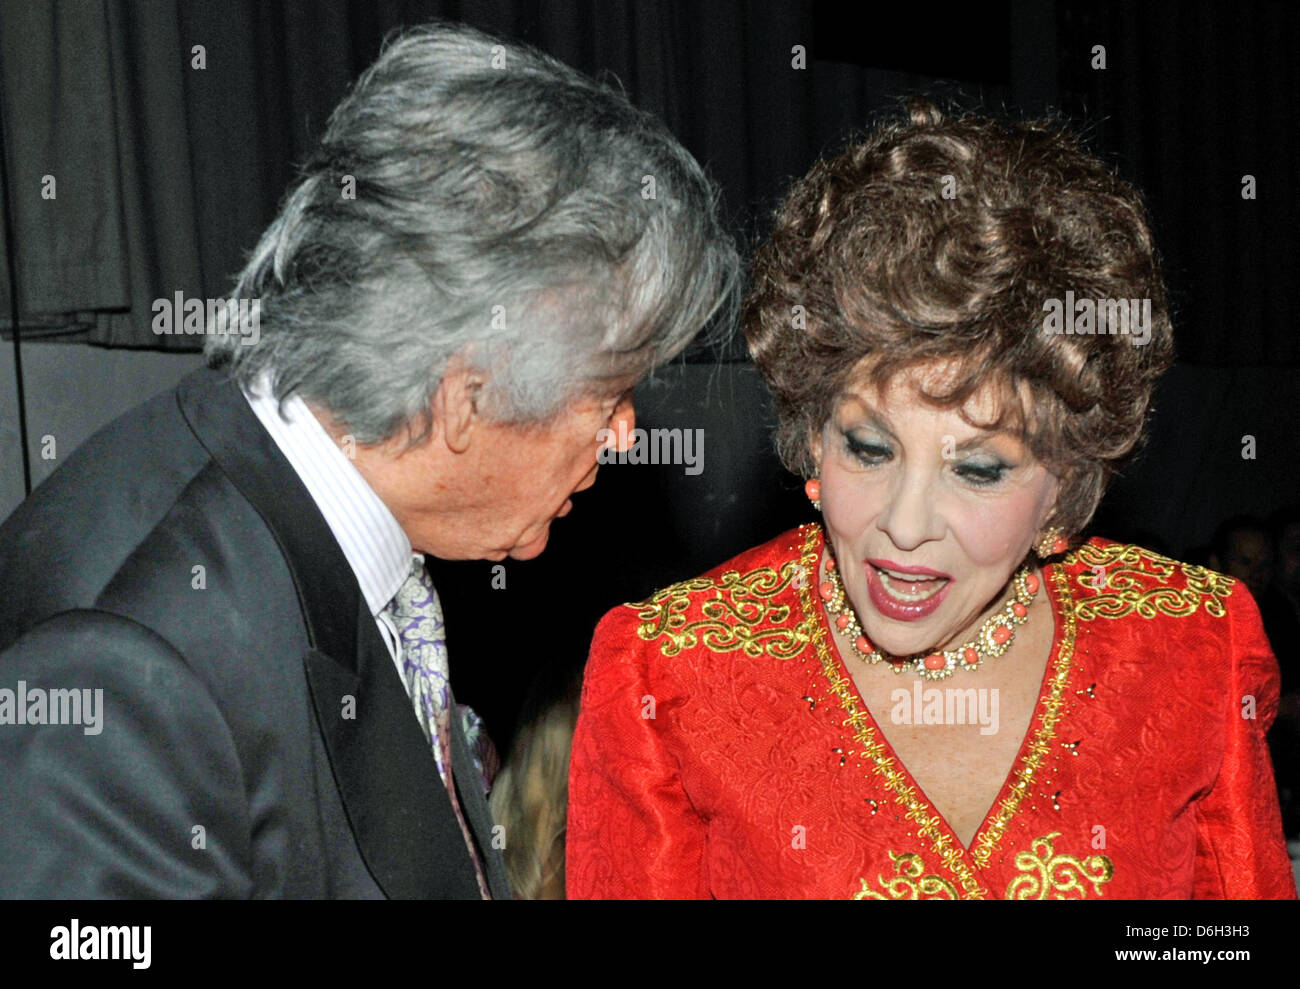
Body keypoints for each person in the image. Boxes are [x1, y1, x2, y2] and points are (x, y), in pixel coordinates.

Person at [0, 21, 737, 898]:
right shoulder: (128, 671)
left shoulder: (327, 494)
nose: (624, 435)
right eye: (611, 393)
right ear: (466, 399)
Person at [566, 101, 1295, 899]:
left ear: (1068, 483)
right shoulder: (671, 673)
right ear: (814, 437)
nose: (904, 527)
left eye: (978, 470)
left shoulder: (1193, 645)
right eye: (868, 449)